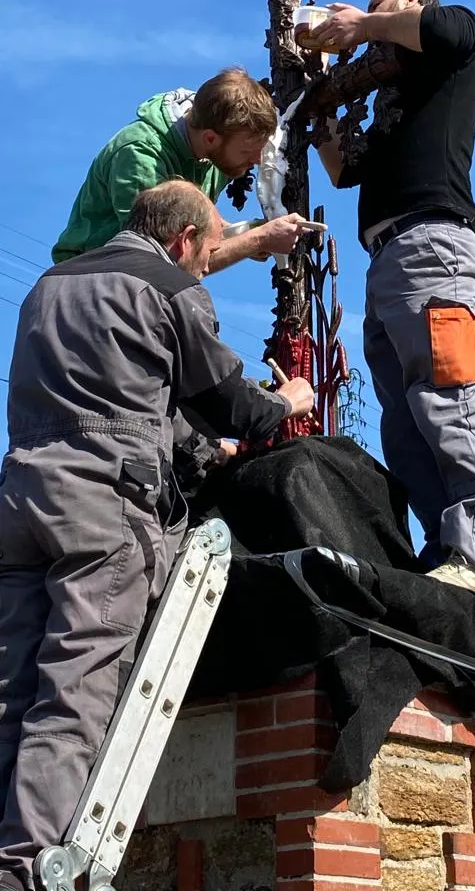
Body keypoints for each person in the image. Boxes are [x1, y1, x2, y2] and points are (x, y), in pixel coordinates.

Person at [0, 180, 315, 891]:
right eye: (205, 255)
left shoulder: (48, 287)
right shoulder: (168, 288)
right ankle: (23, 875)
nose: (204, 268)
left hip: (21, 502)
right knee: (73, 700)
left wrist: (204, 453)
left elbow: (135, 399)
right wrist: (285, 401)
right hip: (102, 511)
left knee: (9, 689)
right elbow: (227, 402)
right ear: (181, 241)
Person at [307, 0, 475, 604]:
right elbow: (345, 172)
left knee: (446, 393)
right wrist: (318, 106)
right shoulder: (394, 94)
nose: (368, 16)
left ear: (414, 3)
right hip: (389, 257)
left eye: (379, 6)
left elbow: (453, 29)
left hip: (433, 246)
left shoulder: (452, 36)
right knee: (403, 418)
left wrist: (359, 29)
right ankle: (443, 550)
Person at [51, 66, 309, 271]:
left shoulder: (213, 150)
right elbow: (168, 258)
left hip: (136, 284)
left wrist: (241, 234)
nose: (257, 160)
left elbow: (196, 230)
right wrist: (259, 239)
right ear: (210, 138)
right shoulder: (139, 156)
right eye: (247, 151)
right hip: (88, 280)